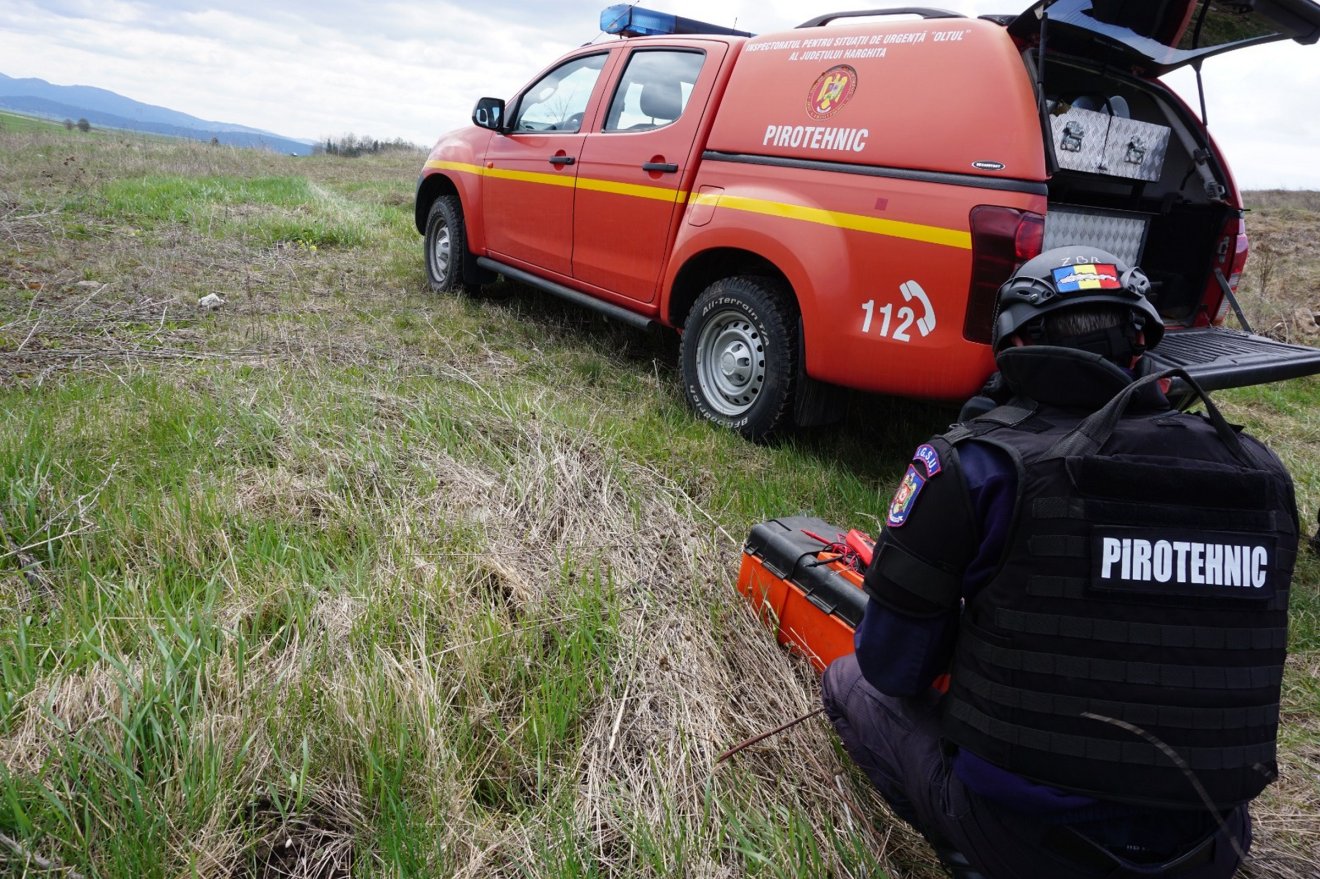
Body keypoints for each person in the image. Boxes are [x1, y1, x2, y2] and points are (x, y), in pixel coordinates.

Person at [822, 247, 1298, 879]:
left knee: (848, 680)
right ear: (1141, 341)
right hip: (1209, 849)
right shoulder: (1263, 474)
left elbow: (892, 666)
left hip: (1026, 843)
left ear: (1014, 343)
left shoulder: (975, 464)